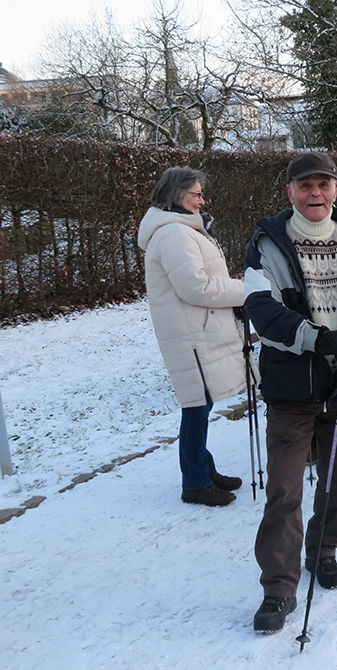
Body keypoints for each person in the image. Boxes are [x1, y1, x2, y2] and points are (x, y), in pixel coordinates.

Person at [243, 151, 337, 634]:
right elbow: (260, 310)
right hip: (292, 387)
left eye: (324, 186)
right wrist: (320, 338)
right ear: (290, 192)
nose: (316, 194)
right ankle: (278, 588)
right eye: (305, 187)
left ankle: (323, 551)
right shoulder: (266, 244)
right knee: (284, 492)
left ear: (336, 190)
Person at [138, 167, 250, 507]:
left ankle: (203, 470)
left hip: (196, 331)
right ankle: (196, 483)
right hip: (191, 335)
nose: (203, 200)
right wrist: (245, 291)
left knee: (200, 406)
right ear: (176, 197)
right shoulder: (173, 234)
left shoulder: (181, 229)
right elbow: (195, 287)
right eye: (196, 195)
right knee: (196, 407)